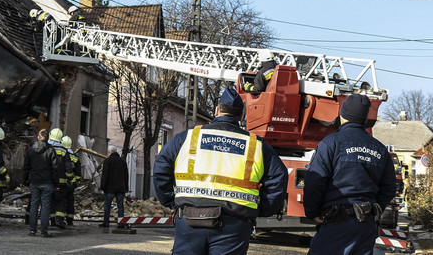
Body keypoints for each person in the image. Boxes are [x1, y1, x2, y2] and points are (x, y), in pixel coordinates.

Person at [153, 88, 288, 255]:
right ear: (242, 116)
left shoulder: (188, 137)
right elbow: (278, 178)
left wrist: (170, 200)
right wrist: (263, 210)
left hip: (190, 218)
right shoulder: (256, 145)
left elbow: (161, 166)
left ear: (217, 110)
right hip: (235, 223)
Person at [303, 94, 397, 255]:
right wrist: (374, 209)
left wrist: (313, 213)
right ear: (364, 119)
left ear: (342, 114)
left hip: (336, 223)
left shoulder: (331, 143)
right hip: (365, 227)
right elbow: (389, 188)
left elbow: (315, 181)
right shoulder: (380, 149)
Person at [23, 128, 59, 237]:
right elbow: (55, 168)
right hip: (47, 182)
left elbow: (26, 167)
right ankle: (44, 231)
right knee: (45, 206)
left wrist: (25, 181)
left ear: (38, 137)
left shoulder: (30, 150)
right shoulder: (51, 150)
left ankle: (32, 230)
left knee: (34, 205)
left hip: (34, 181)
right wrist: (56, 183)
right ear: (47, 139)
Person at [48, 128, 72, 229]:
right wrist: (69, 179)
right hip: (62, 182)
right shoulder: (64, 151)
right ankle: (59, 220)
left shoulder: (47, 148)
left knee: (51, 201)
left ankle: (52, 220)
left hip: (48, 181)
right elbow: (68, 167)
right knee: (61, 201)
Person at [99, 147, 128, 228]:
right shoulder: (123, 161)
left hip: (109, 188)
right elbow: (126, 175)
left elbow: (105, 175)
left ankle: (106, 223)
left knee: (107, 205)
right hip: (120, 188)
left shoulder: (108, 161)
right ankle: (121, 223)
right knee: (120, 206)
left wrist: (102, 187)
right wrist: (126, 187)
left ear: (110, 152)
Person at [62, 135, 82, 226]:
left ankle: (59, 219)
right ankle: (70, 220)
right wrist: (76, 182)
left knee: (61, 201)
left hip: (61, 183)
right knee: (70, 201)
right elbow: (78, 173)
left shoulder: (60, 155)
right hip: (71, 184)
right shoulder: (75, 157)